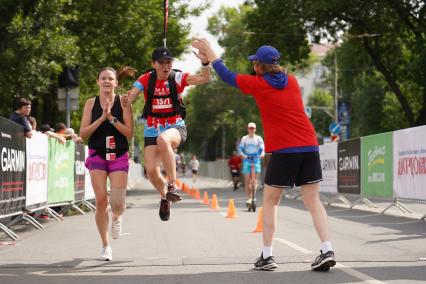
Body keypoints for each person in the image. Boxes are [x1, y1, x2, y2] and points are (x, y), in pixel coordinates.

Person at [192, 39, 335, 272]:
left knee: (270, 201)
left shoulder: (258, 84)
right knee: (313, 200)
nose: (253, 67)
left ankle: (267, 256)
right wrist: (211, 58)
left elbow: (227, 76)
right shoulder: (292, 81)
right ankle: (327, 249)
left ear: (259, 66)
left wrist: (211, 55)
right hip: (309, 146)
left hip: (284, 150)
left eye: (254, 63)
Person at [123, 46, 210, 221]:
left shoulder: (178, 78)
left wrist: (205, 62)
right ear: (153, 64)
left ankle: (172, 185)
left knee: (164, 140)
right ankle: (165, 197)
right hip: (151, 127)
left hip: (175, 126)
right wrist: (126, 99)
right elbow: (131, 97)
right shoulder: (146, 79)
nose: (166, 66)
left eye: (169, 62)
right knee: (152, 171)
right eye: (161, 63)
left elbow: (204, 78)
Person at [79, 66, 135, 261]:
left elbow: (129, 133)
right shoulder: (90, 103)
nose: (106, 81)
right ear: (97, 81)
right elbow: (83, 134)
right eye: (103, 78)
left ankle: (117, 216)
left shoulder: (124, 102)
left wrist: (111, 119)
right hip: (97, 154)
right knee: (101, 201)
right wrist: (101, 118)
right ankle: (105, 246)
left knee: (117, 204)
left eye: (110, 78)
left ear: (116, 83)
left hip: (118, 153)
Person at [239, 122, 265, 205]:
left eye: (253, 128)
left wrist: (262, 154)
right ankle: (249, 198)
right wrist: (242, 154)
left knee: (255, 181)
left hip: (256, 160)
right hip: (247, 160)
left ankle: (253, 196)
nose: (251, 130)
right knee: (247, 181)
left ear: (255, 129)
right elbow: (240, 148)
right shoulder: (244, 138)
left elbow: (262, 148)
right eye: (250, 128)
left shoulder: (258, 138)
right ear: (248, 129)